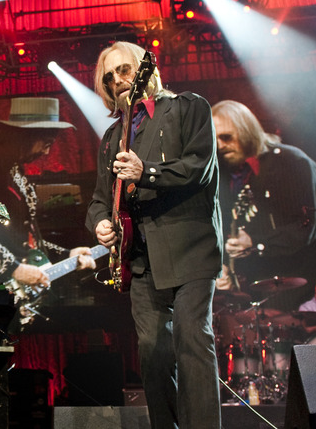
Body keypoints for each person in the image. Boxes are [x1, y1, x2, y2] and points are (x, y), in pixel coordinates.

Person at [86, 41, 223, 428]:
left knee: (192, 338)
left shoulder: (188, 107)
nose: (118, 80)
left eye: (125, 70)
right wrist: (100, 223)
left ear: (145, 70)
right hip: (141, 260)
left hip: (190, 247)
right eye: (109, 77)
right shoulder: (113, 136)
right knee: (152, 351)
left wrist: (146, 173)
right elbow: (99, 200)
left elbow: (199, 167)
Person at [211, 100, 316, 310]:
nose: (220, 145)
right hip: (268, 296)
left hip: (313, 291)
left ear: (246, 131)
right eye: (214, 139)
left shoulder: (292, 161)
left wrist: (256, 242)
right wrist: (225, 267)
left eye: (226, 137)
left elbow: (308, 226)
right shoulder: (226, 174)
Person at [0, 97, 97, 328]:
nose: (47, 153)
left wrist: (67, 254)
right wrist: (14, 269)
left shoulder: (14, 169)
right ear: (25, 136)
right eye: (45, 143)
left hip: (12, 287)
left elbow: (24, 239)